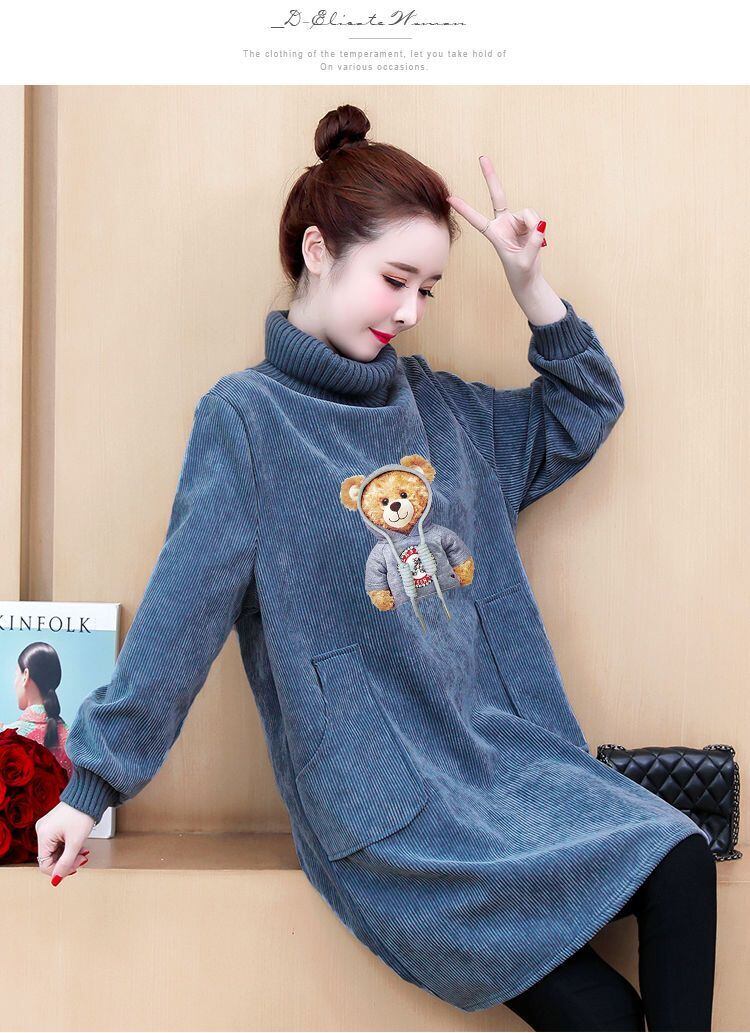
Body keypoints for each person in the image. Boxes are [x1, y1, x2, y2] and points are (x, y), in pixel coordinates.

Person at [35, 103, 716, 1027]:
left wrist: (529, 283)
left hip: (509, 770)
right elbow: (178, 618)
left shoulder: (445, 414)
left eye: (428, 289)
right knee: (601, 1018)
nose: (409, 311)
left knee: (680, 857)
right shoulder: (248, 422)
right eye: (394, 279)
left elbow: (585, 406)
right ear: (317, 250)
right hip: (390, 812)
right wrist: (91, 784)